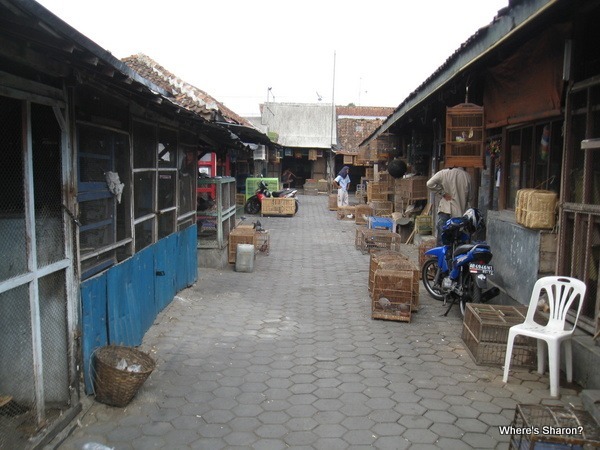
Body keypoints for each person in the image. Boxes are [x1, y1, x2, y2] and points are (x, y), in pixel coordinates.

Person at [426, 167, 472, 244]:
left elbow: (429, 183)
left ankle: (442, 254)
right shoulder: (467, 176)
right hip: (460, 211)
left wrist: (442, 193)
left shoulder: (443, 173)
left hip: (446, 209)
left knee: (442, 235)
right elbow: (470, 197)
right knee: (459, 236)